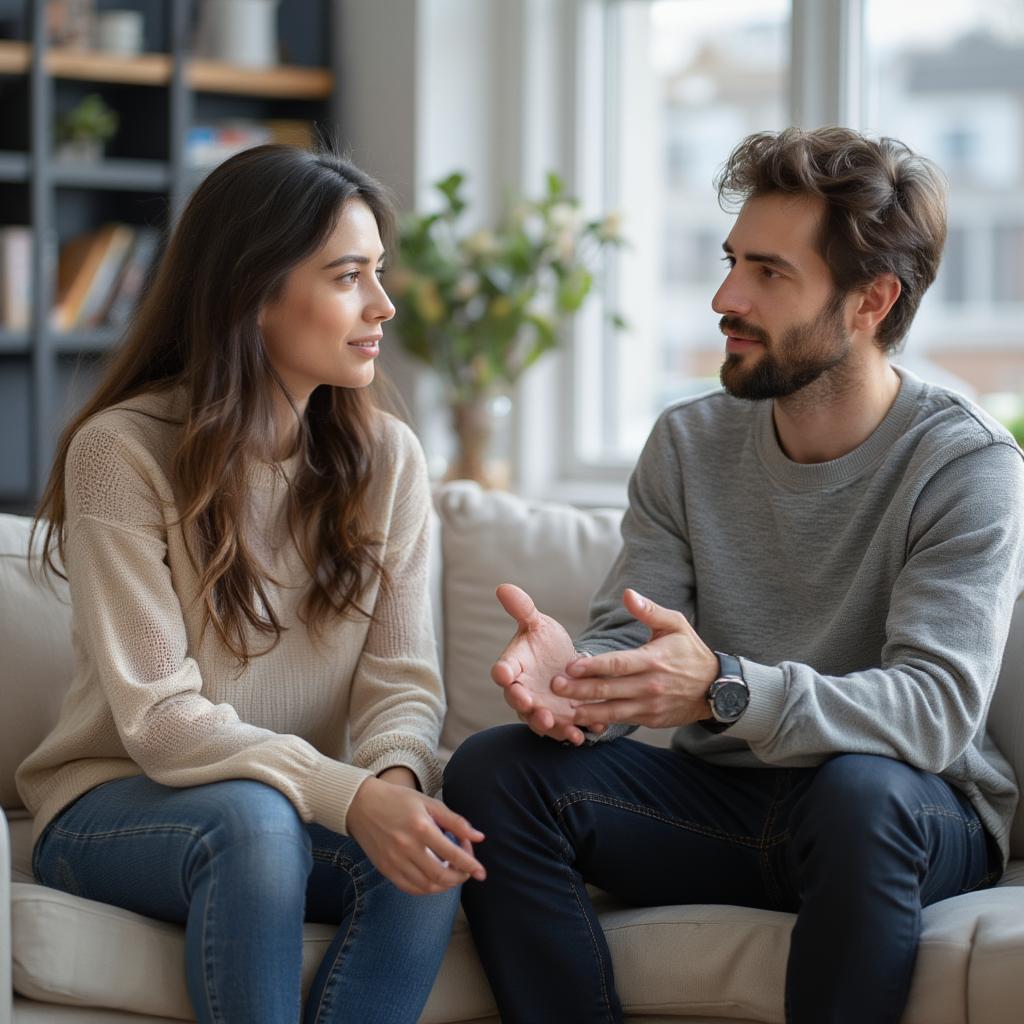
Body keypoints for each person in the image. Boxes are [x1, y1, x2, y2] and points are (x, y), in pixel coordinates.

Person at [443, 126, 1024, 1024]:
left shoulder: (964, 463)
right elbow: (638, 634)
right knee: (493, 771)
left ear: (871, 300)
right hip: (724, 802)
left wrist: (726, 691)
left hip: (905, 813)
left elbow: (935, 709)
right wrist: (582, 678)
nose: (725, 296)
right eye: (730, 263)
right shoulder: (688, 441)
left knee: (856, 793)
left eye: (768, 273)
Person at [16, 144, 486, 1024]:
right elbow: (159, 720)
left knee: (428, 854)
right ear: (253, 293)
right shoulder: (121, 454)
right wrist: (349, 796)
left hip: (279, 800)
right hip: (114, 808)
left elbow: (402, 687)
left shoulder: (389, 460)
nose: (383, 307)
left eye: (379, 273)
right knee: (256, 824)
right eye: (349, 277)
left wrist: (395, 790)